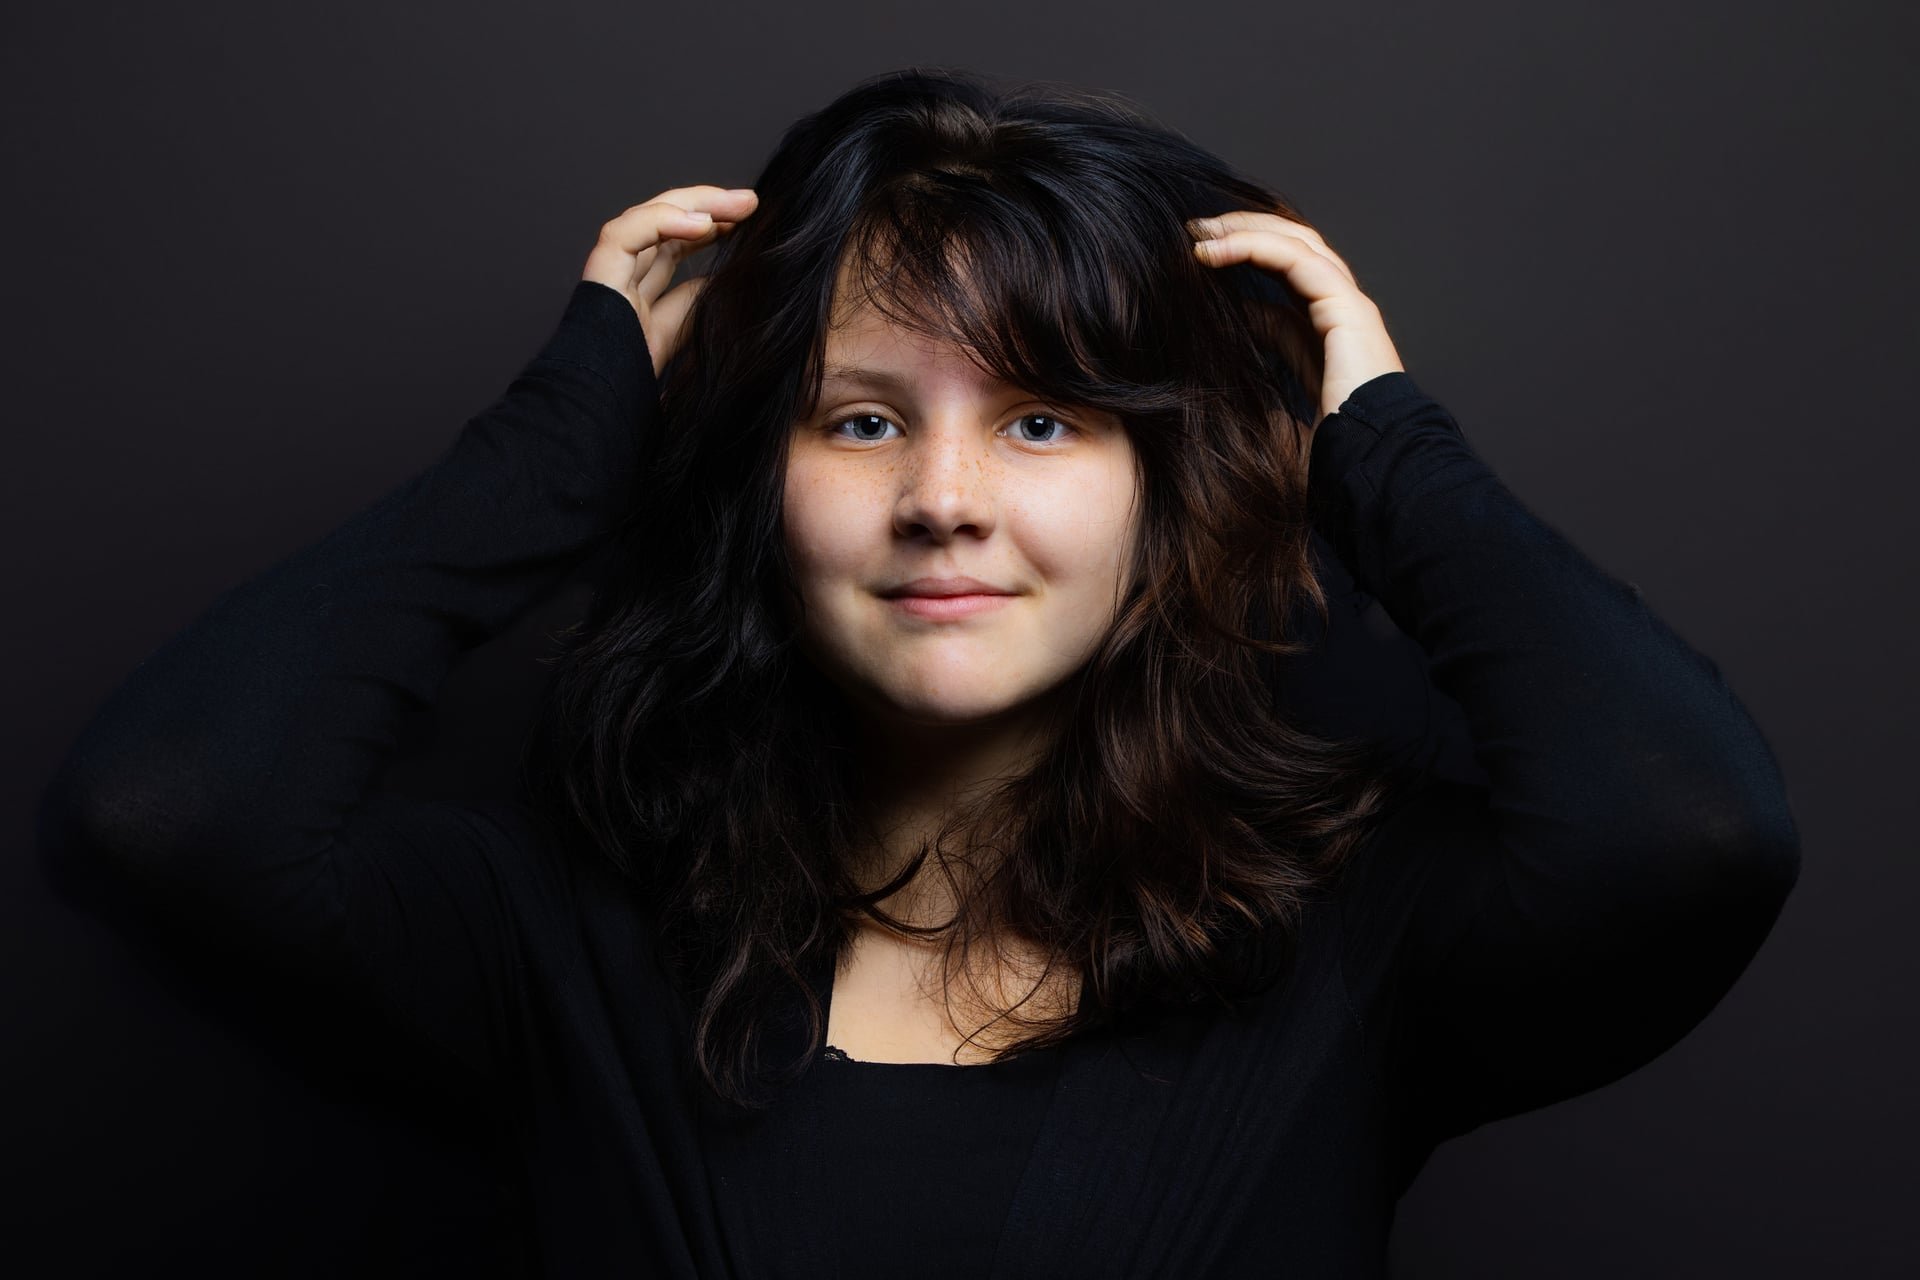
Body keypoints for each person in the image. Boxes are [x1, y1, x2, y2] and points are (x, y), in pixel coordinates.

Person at [37, 67, 1801, 1277]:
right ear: (758, 479)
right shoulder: (562, 930)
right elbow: (175, 802)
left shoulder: (1358, 932)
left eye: (1044, 418)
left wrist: (1379, 448)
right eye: (861, 419)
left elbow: (1690, 823)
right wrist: (565, 436)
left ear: (1161, 485)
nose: (943, 501)